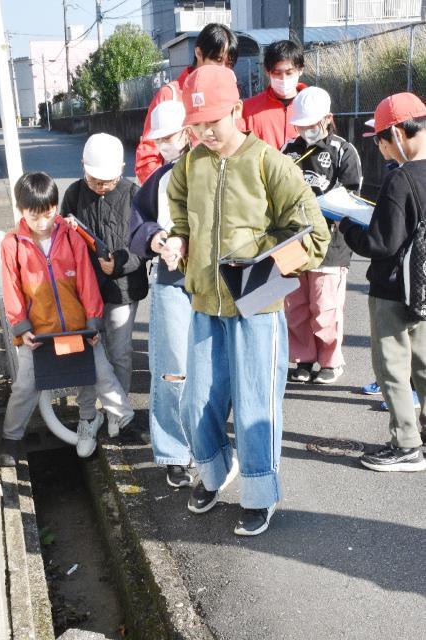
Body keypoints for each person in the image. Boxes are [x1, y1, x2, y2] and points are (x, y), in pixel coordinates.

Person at [161, 65, 330, 535]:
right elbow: (176, 206)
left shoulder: (268, 162)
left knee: (257, 404)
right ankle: (215, 472)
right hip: (204, 303)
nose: (203, 134)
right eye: (195, 127)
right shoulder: (191, 162)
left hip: (257, 305)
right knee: (197, 401)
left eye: (211, 123)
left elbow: (313, 234)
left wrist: (265, 268)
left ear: (237, 110)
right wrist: (177, 239)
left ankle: (260, 493)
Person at [0, 172, 135, 466]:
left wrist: (93, 321)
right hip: (38, 334)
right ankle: (11, 437)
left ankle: (125, 419)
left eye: (48, 214)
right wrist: (21, 328)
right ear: (21, 211)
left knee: (102, 374)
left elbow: (86, 280)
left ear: (56, 207)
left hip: (77, 329)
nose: (43, 222)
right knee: (26, 386)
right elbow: (12, 289)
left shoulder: (70, 235)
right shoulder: (13, 244)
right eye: (35, 217)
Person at [340, 92, 426, 471]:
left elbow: (380, 243)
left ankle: (406, 444)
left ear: (398, 133)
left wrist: (347, 226)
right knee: (424, 364)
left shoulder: (399, 180)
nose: (378, 146)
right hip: (424, 288)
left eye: (380, 138)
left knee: (392, 367)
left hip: (393, 289)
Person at [61, 133, 149, 443]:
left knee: (120, 352)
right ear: (83, 166)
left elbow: (146, 245)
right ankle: (90, 414)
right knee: (88, 353)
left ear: (122, 169)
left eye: (108, 181)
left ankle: (117, 413)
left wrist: (122, 263)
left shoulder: (134, 194)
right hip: (86, 291)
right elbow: (63, 243)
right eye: (95, 180)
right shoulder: (73, 194)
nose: (101, 186)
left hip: (124, 288)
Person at [129, 100, 193, 488]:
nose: (164, 145)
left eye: (168, 137)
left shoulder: (220, 168)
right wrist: (156, 239)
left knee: (213, 369)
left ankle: (207, 443)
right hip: (171, 278)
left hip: (216, 281)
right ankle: (173, 453)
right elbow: (138, 221)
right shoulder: (162, 177)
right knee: (172, 368)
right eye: (160, 139)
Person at [282, 87, 362, 384]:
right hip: (292, 240)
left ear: (327, 119)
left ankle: (330, 360)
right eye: (301, 125)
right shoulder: (288, 149)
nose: (305, 130)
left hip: (330, 242)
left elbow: (351, 195)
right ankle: (304, 358)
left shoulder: (344, 150)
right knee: (296, 305)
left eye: (311, 124)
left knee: (325, 305)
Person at [135, 23, 238, 185]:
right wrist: (164, 194)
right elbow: (147, 156)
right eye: (218, 60)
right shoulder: (171, 95)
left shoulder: (229, 96)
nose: (223, 69)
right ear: (198, 52)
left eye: (229, 64)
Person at [242, 39, 306, 149]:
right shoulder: (248, 110)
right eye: (277, 73)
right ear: (267, 72)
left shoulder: (314, 106)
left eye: (289, 73)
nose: (283, 78)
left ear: (300, 70)